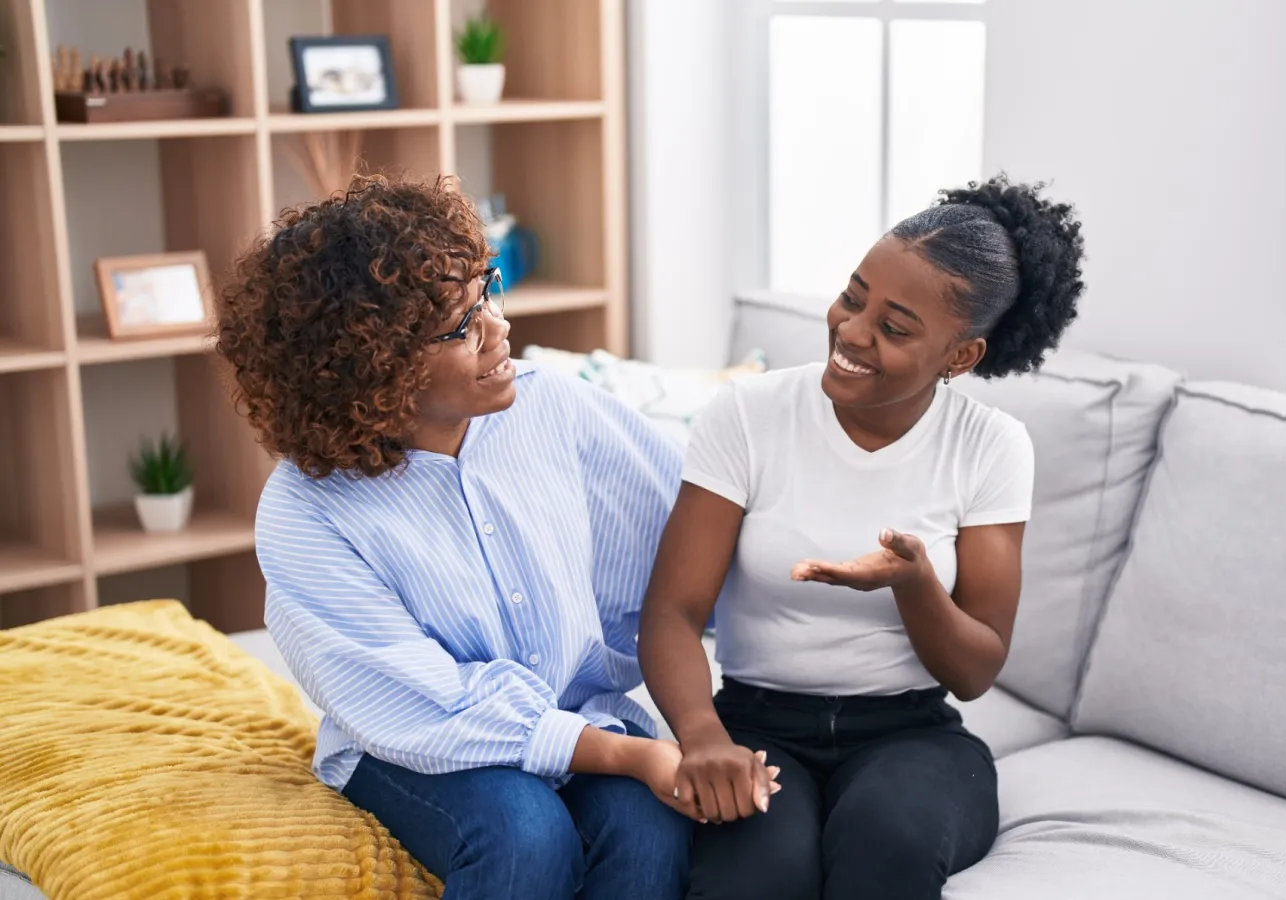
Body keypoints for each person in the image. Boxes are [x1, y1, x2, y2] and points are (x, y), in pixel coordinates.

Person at [215, 175, 732, 900]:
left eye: (485, 291)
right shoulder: (306, 514)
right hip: (418, 745)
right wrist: (630, 753)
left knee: (647, 823)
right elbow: (426, 707)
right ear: (373, 367)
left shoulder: (559, 407)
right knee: (525, 831)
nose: (500, 328)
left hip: (578, 717)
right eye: (462, 326)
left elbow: (694, 552)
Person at [638, 175, 1086, 900]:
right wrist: (703, 736)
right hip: (758, 723)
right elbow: (672, 614)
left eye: (895, 327)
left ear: (960, 357)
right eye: (853, 297)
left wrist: (915, 585)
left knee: (887, 847)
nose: (851, 330)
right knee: (757, 877)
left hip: (914, 737)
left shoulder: (991, 447)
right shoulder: (750, 414)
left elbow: (975, 670)